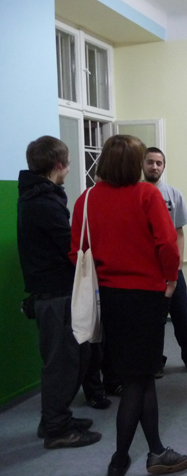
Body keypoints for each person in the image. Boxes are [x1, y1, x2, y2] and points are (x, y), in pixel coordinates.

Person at [70, 135, 187, 476]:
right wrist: (170, 279)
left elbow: (76, 251)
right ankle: (121, 458)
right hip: (146, 296)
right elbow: (167, 243)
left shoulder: (86, 199)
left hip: (109, 297)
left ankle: (155, 451)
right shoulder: (146, 194)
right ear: (135, 163)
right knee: (138, 380)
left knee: (138, 376)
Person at [17, 136, 101, 449]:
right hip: (54, 295)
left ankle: (56, 418)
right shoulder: (43, 202)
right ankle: (56, 429)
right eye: (67, 163)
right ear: (58, 165)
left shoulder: (38, 196)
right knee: (62, 364)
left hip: (55, 292)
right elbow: (70, 247)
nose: (68, 168)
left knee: (77, 357)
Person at [143, 147, 187, 377]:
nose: (154, 167)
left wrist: (177, 265)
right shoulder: (135, 193)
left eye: (158, 163)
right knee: (153, 318)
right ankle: (154, 360)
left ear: (164, 166)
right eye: (150, 162)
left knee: (181, 313)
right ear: (142, 165)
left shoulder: (173, 195)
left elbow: (179, 232)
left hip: (171, 266)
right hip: (147, 269)